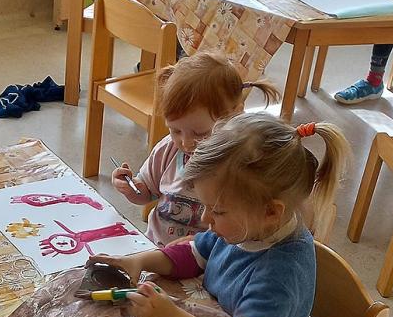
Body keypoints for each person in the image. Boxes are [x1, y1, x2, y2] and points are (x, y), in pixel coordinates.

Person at [93, 113, 350, 317]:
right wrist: (139, 261)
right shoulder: (247, 227)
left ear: (271, 212)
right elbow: (193, 254)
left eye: (217, 211)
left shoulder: (282, 271)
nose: (205, 219)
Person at [112, 52, 280, 245]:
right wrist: (131, 188)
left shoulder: (239, 164)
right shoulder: (168, 150)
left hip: (205, 258)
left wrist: (200, 245)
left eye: (200, 133)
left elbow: (246, 230)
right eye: (175, 130)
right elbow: (147, 192)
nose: (186, 142)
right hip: (155, 249)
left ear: (235, 115)